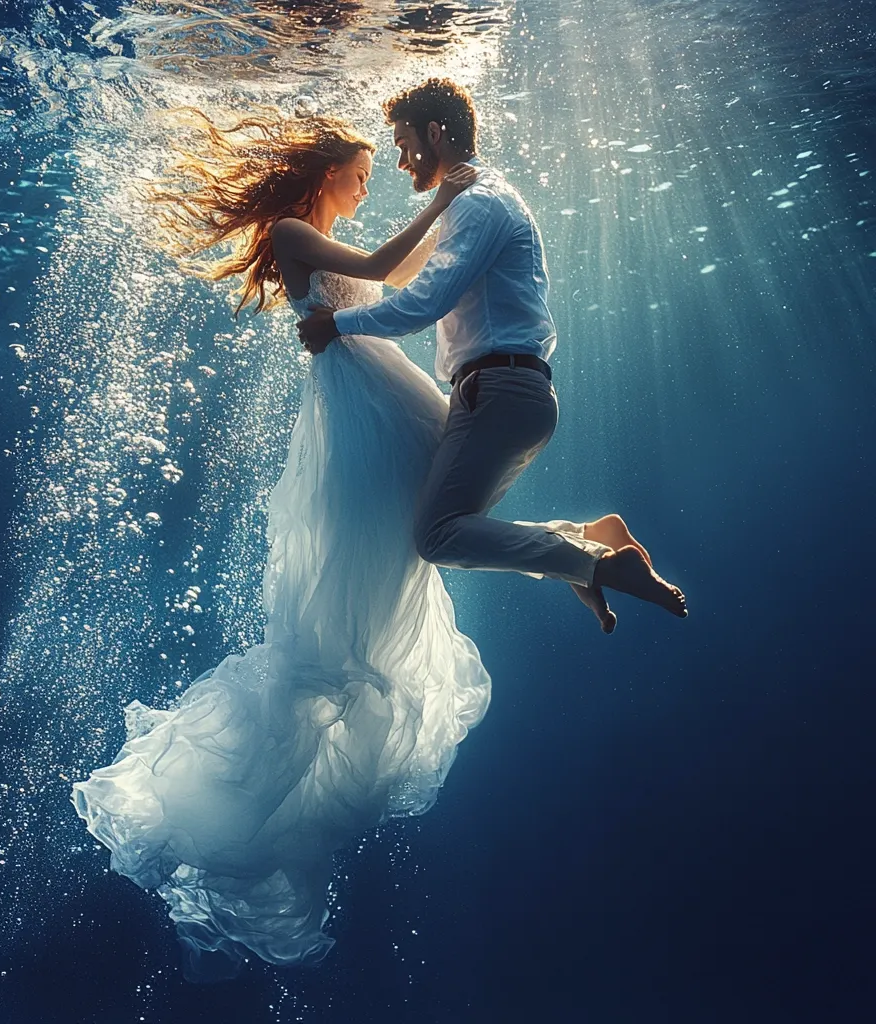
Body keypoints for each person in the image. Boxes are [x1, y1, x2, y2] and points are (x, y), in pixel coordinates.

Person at [73, 107, 490, 981]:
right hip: (361, 398)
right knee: (403, 538)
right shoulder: (297, 227)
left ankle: (559, 550)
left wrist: (450, 220)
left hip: (373, 386)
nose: (369, 182)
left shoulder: (317, 233)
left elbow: (398, 273)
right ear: (326, 169)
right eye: (361, 170)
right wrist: (443, 195)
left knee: (418, 533)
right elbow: (382, 265)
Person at [297, 79, 688, 635]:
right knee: (452, 527)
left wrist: (335, 324)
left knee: (437, 537)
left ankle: (594, 563)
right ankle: (590, 543)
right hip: (510, 393)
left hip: (498, 392)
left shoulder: (479, 203)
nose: (403, 160)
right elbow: (410, 278)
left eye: (407, 143)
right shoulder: (487, 197)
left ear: (437, 133)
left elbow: (423, 303)